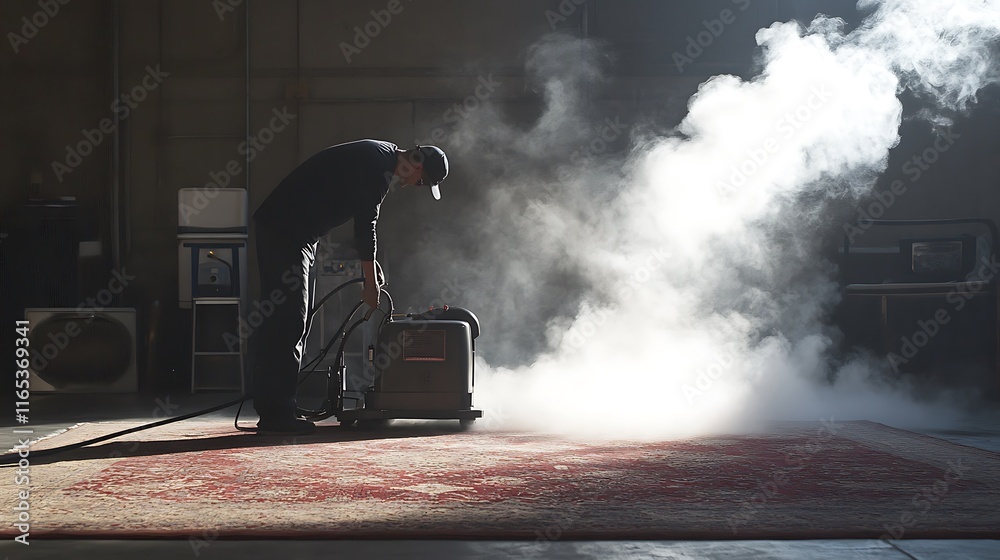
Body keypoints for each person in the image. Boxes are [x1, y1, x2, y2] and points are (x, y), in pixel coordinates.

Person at [250, 139, 449, 434]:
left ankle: (274, 407)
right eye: (422, 182)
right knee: (290, 319)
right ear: (417, 164)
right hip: (286, 231)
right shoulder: (377, 169)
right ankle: (276, 415)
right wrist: (369, 284)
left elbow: (360, 220)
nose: (416, 185)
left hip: (292, 231)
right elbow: (365, 227)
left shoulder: (380, 153)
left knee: (290, 317)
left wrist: (370, 265)